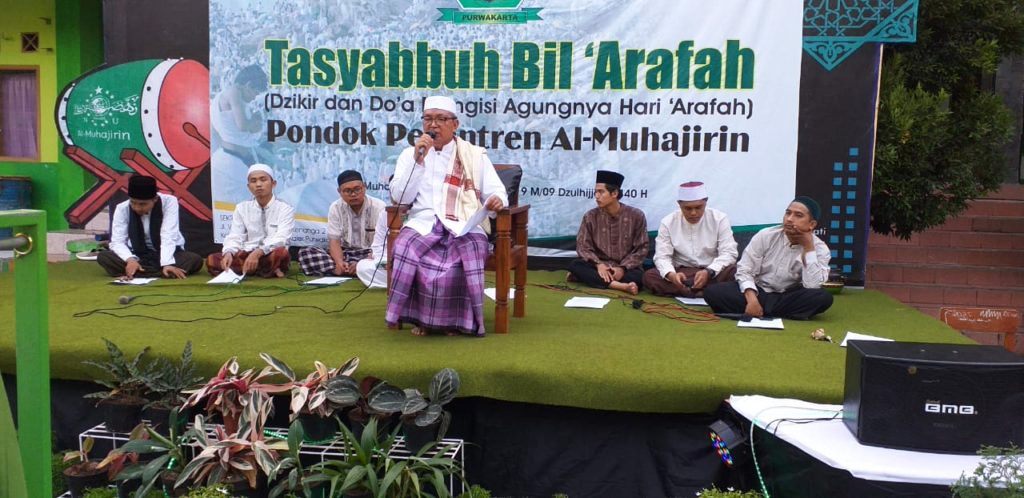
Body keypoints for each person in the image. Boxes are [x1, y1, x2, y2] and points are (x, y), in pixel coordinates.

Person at [386, 95, 508, 337]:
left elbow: (497, 192)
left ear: (455, 124)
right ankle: (422, 320)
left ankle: (457, 322)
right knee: (405, 248)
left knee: (467, 252)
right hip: (424, 223)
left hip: (463, 223)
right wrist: (417, 161)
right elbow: (400, 198)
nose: (434, 125)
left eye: (441, 119)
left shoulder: (473, 155)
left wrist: (497, 201)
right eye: (428, 119)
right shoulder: (409, 156)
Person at [703, 197, 834, 320]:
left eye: (798, 215)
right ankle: (775, 311)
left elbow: (812, 286)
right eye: (788, 213)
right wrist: (752, 299)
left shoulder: (820, 249)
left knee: (823, 298)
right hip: (758, 291)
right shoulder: (766, 235)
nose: (789, 219)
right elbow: (745, 270)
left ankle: (761, 311)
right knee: (712, 292)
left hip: (787, 296)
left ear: (811, 224)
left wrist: (808, 248)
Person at [642, 182, 738, 297]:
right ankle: (705, 292)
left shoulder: (719, 219)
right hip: (682, 273)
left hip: (712, 271)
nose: (693, 213)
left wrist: (709, 271)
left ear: (705, 202)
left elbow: (729, 253)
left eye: (698, 207)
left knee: (735, 272)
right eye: (687, 208)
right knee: (649, 276)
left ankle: (688, 291)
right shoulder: (668, 222)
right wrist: (671, 275)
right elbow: (662, 257)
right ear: (679, 204)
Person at [98, 175, 203, 278]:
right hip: (138, 255)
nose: (137, 208)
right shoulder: (122, 208)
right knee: (104, 257)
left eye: (142, 204)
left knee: (194, 260)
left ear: (155, 199)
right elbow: (117, 242)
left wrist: (167, 263)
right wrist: (130, 260)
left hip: (167, 252)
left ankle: (141, 272)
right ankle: (161, 272)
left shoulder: (169, 202)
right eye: (133, 202)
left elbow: (168, 234)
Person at [568, 170, 649, 295]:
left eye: (601, 192)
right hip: (599, 267)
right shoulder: (590, 216)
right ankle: (619, 286)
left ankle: (589, 279)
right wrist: (598, 265)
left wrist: (621, 268)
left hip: (626, 269)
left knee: (642, 277)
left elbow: (641, 249)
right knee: (576, 265)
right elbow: (583, 247)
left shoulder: (636, 216)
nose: (596, 196)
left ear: (614, 193)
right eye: (595, 192)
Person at [207, 164, 295, 278]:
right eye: (254, 181)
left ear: (273, 184)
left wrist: (258, 253)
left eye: (263, 180)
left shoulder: (285, 208)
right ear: (249, 187)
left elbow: (282, 238)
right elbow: (235, 235)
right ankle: (266, 270)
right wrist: (229, 252)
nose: (258, 184)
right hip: (247, 253)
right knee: (212, 260)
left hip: (268, 253)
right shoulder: (242, 208)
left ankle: (251, 268)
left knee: (281, 253)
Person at [297, 170, 385, 276]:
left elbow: (384, 245)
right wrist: (339, 262)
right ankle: (343, 270)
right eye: (348, 191)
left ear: (364, 187)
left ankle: (358, 269)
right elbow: (334, 241)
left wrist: (364, 262)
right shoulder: (335, 208)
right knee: (306, 252)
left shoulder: (379, 207)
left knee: (386, 259)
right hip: (347, 253)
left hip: (371, 253)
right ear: (339, 191)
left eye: (357, 189)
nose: (353, 194)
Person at [355, 208, 389, 289]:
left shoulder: (422, 212)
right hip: (391, 263)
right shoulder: (385, 213)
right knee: (362, 267)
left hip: (418, 265)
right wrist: (383, 261)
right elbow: (378, 246)